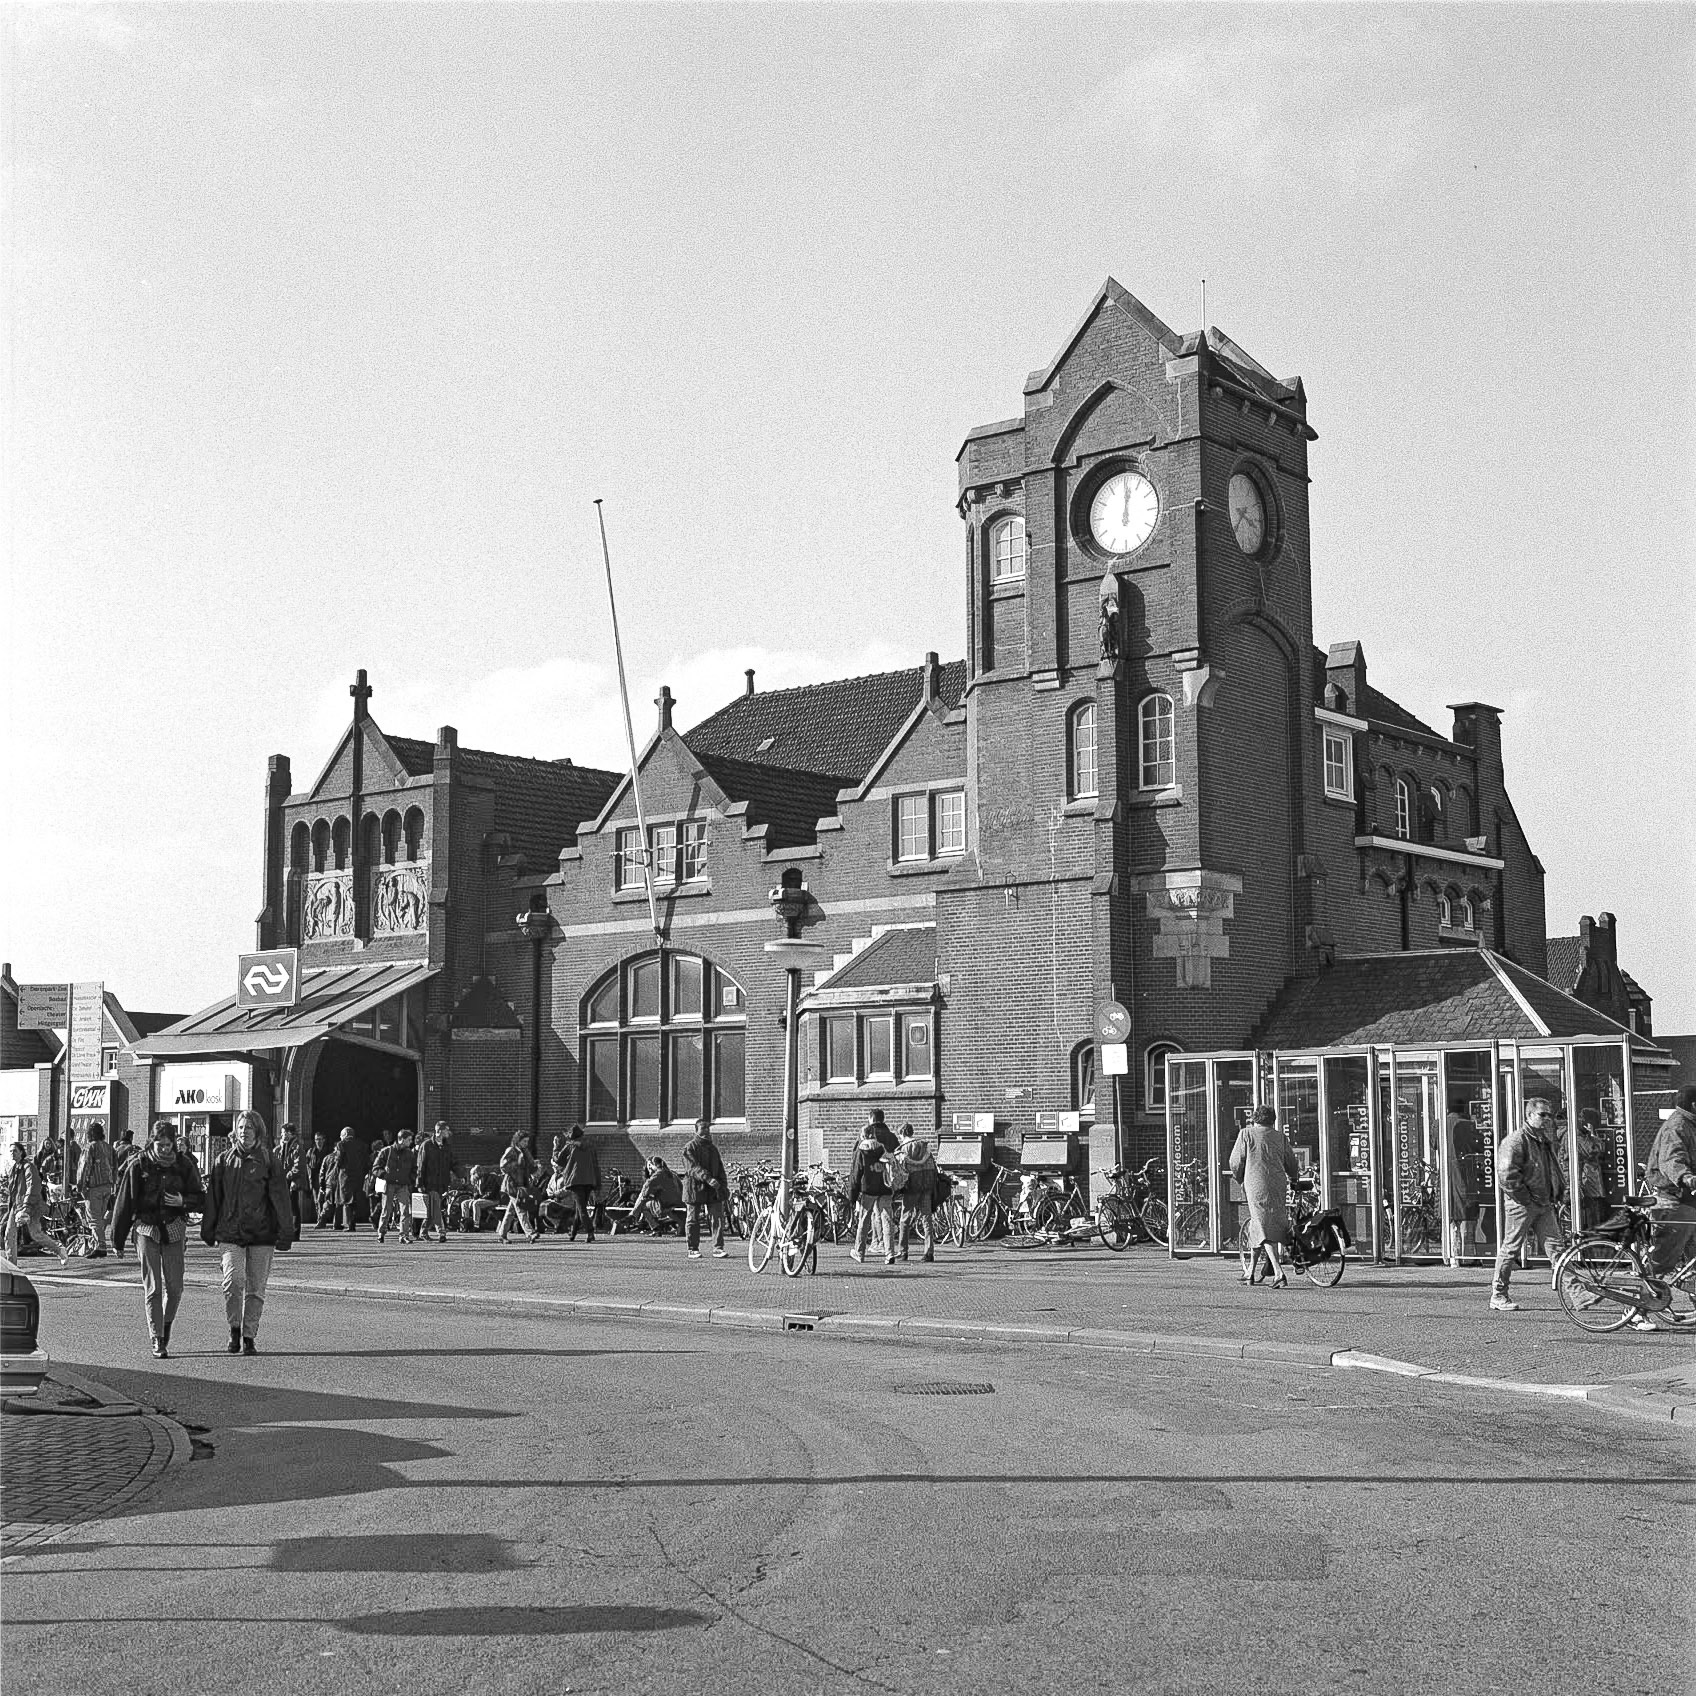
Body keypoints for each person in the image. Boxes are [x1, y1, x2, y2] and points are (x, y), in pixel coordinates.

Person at [201, 1108, 295, 1355]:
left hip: (262, 1233)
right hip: (230, 1232)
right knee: (232, 1282)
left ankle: (249, 1336)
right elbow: (214, 1198)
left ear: (258, 1131)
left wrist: (286, 1231)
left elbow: (281, 1198)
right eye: (241, 1127)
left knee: (256, 1289)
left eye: (249, 1127)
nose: (244, 1131)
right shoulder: (223, 1160)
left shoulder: (269, 1160)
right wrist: (208, 1229)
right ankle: (234, 1328)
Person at [112, 1122, 207, 1358]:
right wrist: (117, 1240)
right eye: (160, 1145)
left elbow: (201, 1198)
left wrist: (183, 1201)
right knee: (153, 1287)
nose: (165, 1149)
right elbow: (124, 1203)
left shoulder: (184, 1164)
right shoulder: (138, 1164)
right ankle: (157, 1337)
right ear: (152, 1143)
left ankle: (165, 1325)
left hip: (174, 1227)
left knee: (175, 1288)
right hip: (146, 1227)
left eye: (168, 1145)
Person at [1489, 1095, 1567, 1313]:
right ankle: (1498, 1294)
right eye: (1543, 1114)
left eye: (1550, 1115)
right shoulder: (1517, 1140)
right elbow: (1506, 1173)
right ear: (1530, 1115)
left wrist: (1556, 1192)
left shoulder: (1543, 1140)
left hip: (1542, 1202)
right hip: (1523, 1204)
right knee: (1511, 1248)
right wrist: (1524, 1198)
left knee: (1557, 1248)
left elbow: (1552, 1170)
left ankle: (1580, 1295)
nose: (1547, 1119)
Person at [1631, 1084, 1696, 1329]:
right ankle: (1636, 1311)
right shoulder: (1676, 1126)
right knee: (1663, 1258)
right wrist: (1687, 1178)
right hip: (1674, 1199)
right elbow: (1672, 1160)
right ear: (1694, 1105)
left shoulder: (1690, 1125)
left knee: (1692, 1257)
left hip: (1687, 1200)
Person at [1228, 1104, 1302, 1288]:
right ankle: (1250, 1272)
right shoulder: (1280, 1137)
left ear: (1255, 1118)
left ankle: (1278, 1273)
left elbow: (1235, 1162)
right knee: (1261, 1224)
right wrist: (1294, 1178)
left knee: (1262, 1227)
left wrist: (1239, 1178)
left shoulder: (1246, 1134)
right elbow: (1291, 1162)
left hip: (1256, 1184)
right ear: (1272, 1119)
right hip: (1278, 1185)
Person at [4, 1141, 67, 1264]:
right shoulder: (13, 1169)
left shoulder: (28, 1167)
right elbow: (14, 1191)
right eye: (10, 1151)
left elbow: (32, 1187)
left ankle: (59, 1250)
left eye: (15, 1151)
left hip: (31, 1205)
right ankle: (12, 1266)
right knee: (9, 1234)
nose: (12, 1153)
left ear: (21, 1152)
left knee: (36, 1234)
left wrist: (26, 1207)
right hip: (17, 1206)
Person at [847, 1120, 896, 1265]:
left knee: (864, 1220)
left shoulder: (860, 1151)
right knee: (887, 1220)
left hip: (868, 1189)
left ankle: (859, 1252)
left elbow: (856, 1175)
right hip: (885, 1187)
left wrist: (852, 1196)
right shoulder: (882, 1148)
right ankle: (889, 1253)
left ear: (862, 1136)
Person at [680, 1119, 727, 1259]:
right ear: (696, 1130)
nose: (706, 1130)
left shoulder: (713, 1149)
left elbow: (720, 1169)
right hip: (694, 1187)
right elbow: (692, 1168)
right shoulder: (689, 1147)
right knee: (693, 1219)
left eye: (707, 1127)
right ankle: (692, 1248)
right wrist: (708, 1178)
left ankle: (718, 1247)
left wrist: (723, 1186)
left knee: (717, 1218)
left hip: (713, 1189)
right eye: (703, 1128)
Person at [894, 1122, 937, 1264]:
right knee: (927, 1219)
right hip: (926, 1186)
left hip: (911, 1186)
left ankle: (903, 1251)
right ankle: (929, 1252)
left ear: (902, 1134)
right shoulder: (925, 1146)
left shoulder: (902, 1149)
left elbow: (899, 1172)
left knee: (905, 1219)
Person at [1442, 1098, 1478, 1265]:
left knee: (1450, 1218)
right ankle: (1467, 1257)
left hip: (1446, 1177)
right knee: (1466, 1217)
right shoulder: (1466, 1125)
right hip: (1464, 1175)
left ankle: (1452, 1257)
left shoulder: (1439, 1124)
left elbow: (1434, 1144)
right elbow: (1476, 1146)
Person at [77, 1123, 116, 1259]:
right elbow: (115, 1167)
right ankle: (98, 1243)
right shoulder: (109, 1148)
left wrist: (81, 1187)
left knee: (93, 1218)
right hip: (108, 1186)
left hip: (94, 1187)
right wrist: (113, 1185)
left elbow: (84, 1168)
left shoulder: (90, 1148)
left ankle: (100, 1246)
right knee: (100, 1217)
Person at [559, 1125, 602, 1243]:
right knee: (579, 1208)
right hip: (589, 1180)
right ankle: (573, 1233)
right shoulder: (590, 1146)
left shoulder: (570, 1146)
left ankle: (590, 1231)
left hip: (576, 1180)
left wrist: (556, 1147)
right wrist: (597, 1182)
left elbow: (559, 1160)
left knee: (581, 1209)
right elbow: (596, 1164)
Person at [416, 1122, 457, 1244]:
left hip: (441, 1183)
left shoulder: (446, 1146)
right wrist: (419, 1183)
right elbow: (421, 1165)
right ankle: (441, 1232)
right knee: (436, 1207)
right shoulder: (427, 1145)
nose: (448, 1133)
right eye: (446, 1130)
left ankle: (423, 1232)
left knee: (431, 1209)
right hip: (429, 1182)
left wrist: (460, 1175)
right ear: (440, 1131)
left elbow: (453, 1162)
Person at [497, 1131, 540, 1244]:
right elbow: (503, 1166)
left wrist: (535, 1167)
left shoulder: (525, 1152)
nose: (526, 1143)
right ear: (518, 1141)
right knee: (521, 1209)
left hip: (522, 1184)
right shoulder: (511, 1150)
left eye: (527, 1141)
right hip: (512, 1185)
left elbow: (530, 1167)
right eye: (524, 1141)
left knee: (511, 1211)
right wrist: (517, 1163)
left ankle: (502, 1235)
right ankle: (530, 1233)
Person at [622, 1156, 682, 1235]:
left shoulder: (658, 1174)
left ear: (652, 1165)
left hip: (666, 1205)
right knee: (645, 1199)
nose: (648, 1169)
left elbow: (647, 1186)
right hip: (677, 1202)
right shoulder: (672, 1174)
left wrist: (645, 1196)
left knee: (643, 1206)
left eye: (649, 1166)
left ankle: (654, 1227)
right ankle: (633, 1215)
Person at [1575, 1109, 1613, 1232]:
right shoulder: (1578, 1136)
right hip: (1587, 1176)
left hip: (1592, 1175)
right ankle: (1593, 1233)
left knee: (1596, 1205)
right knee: (1592, 1206)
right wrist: (1592, 1136)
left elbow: (1600, 1148)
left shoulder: (1585, 1136)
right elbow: (1592, 1151)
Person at [377, 1129, 418, 1243]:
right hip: (389, 1183)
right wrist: (384, 1175)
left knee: (405, 1210)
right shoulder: (387, 1151)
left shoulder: (409, 1153)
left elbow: (414, 1168)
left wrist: (410, 1179)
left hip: (403, 1184)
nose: (411, 1142)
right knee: (386, 1209)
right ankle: (381, 1233)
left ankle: (404, 1235)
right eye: (409, 1139)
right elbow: (376, 1167)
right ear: (402, 1139)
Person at [333, 1126, 368, 1231]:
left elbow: (339, 1159)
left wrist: (336, 1169)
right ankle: (352, 1223)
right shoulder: (361, 1145)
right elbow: (365, 1160)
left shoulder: (341, 1144)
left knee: (346, 1200)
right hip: (358, 1175)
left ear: (344, 1135)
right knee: (355, 1200)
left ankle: (348, 1224)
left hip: (345, 1175)